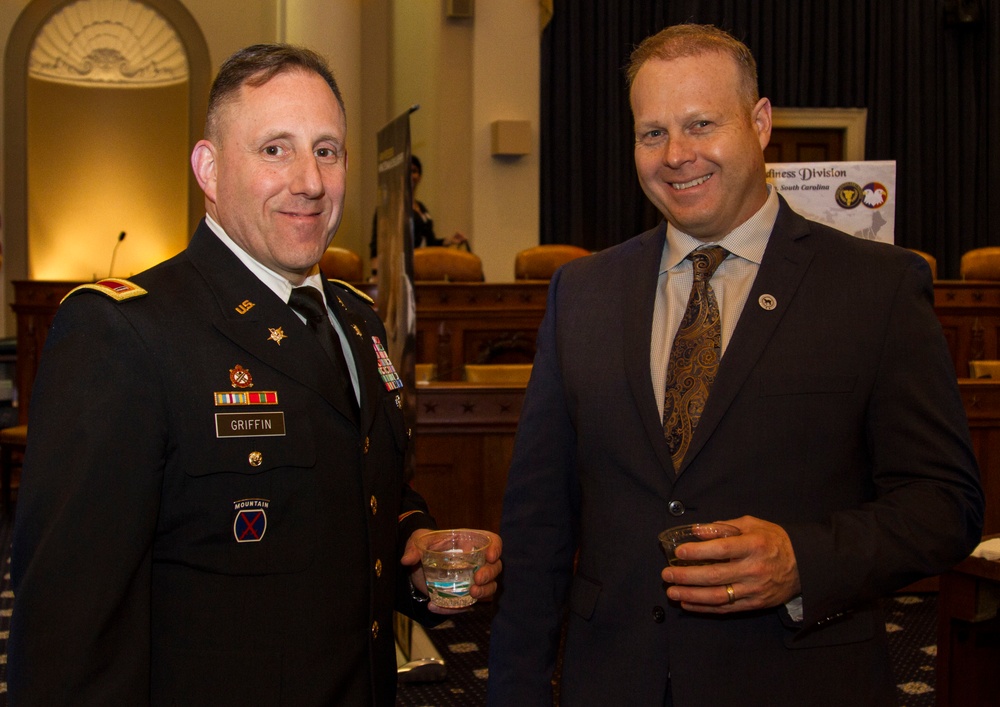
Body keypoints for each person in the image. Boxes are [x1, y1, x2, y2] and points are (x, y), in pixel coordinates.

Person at [486, 23, 983, 707]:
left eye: (701, 124)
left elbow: (943, 503)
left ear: (760, 122)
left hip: (800, 679)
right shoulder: (583, 293)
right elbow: (539, 523)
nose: (677, 155)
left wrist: (803, 560)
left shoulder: (877, 289)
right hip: (614, 680)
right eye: (652, 132)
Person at [9, 43, 501, 706]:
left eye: (326, 150)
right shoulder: (125, 334)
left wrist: (416, 545)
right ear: (209, 170)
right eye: (275, 149)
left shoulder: (357, 321)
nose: (309, 180)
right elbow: (70, 631)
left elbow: (355, 496)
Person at [368, 155, 467, 275]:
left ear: (419, 176)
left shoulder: (422, 208)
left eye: (414, 171)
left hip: (425, 270)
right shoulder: (389, 208)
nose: (411, 176)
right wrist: (376, 272)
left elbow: (430, 243)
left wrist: (449, 241)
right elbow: (378, 243)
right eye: (407, 171)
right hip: (400, 271)